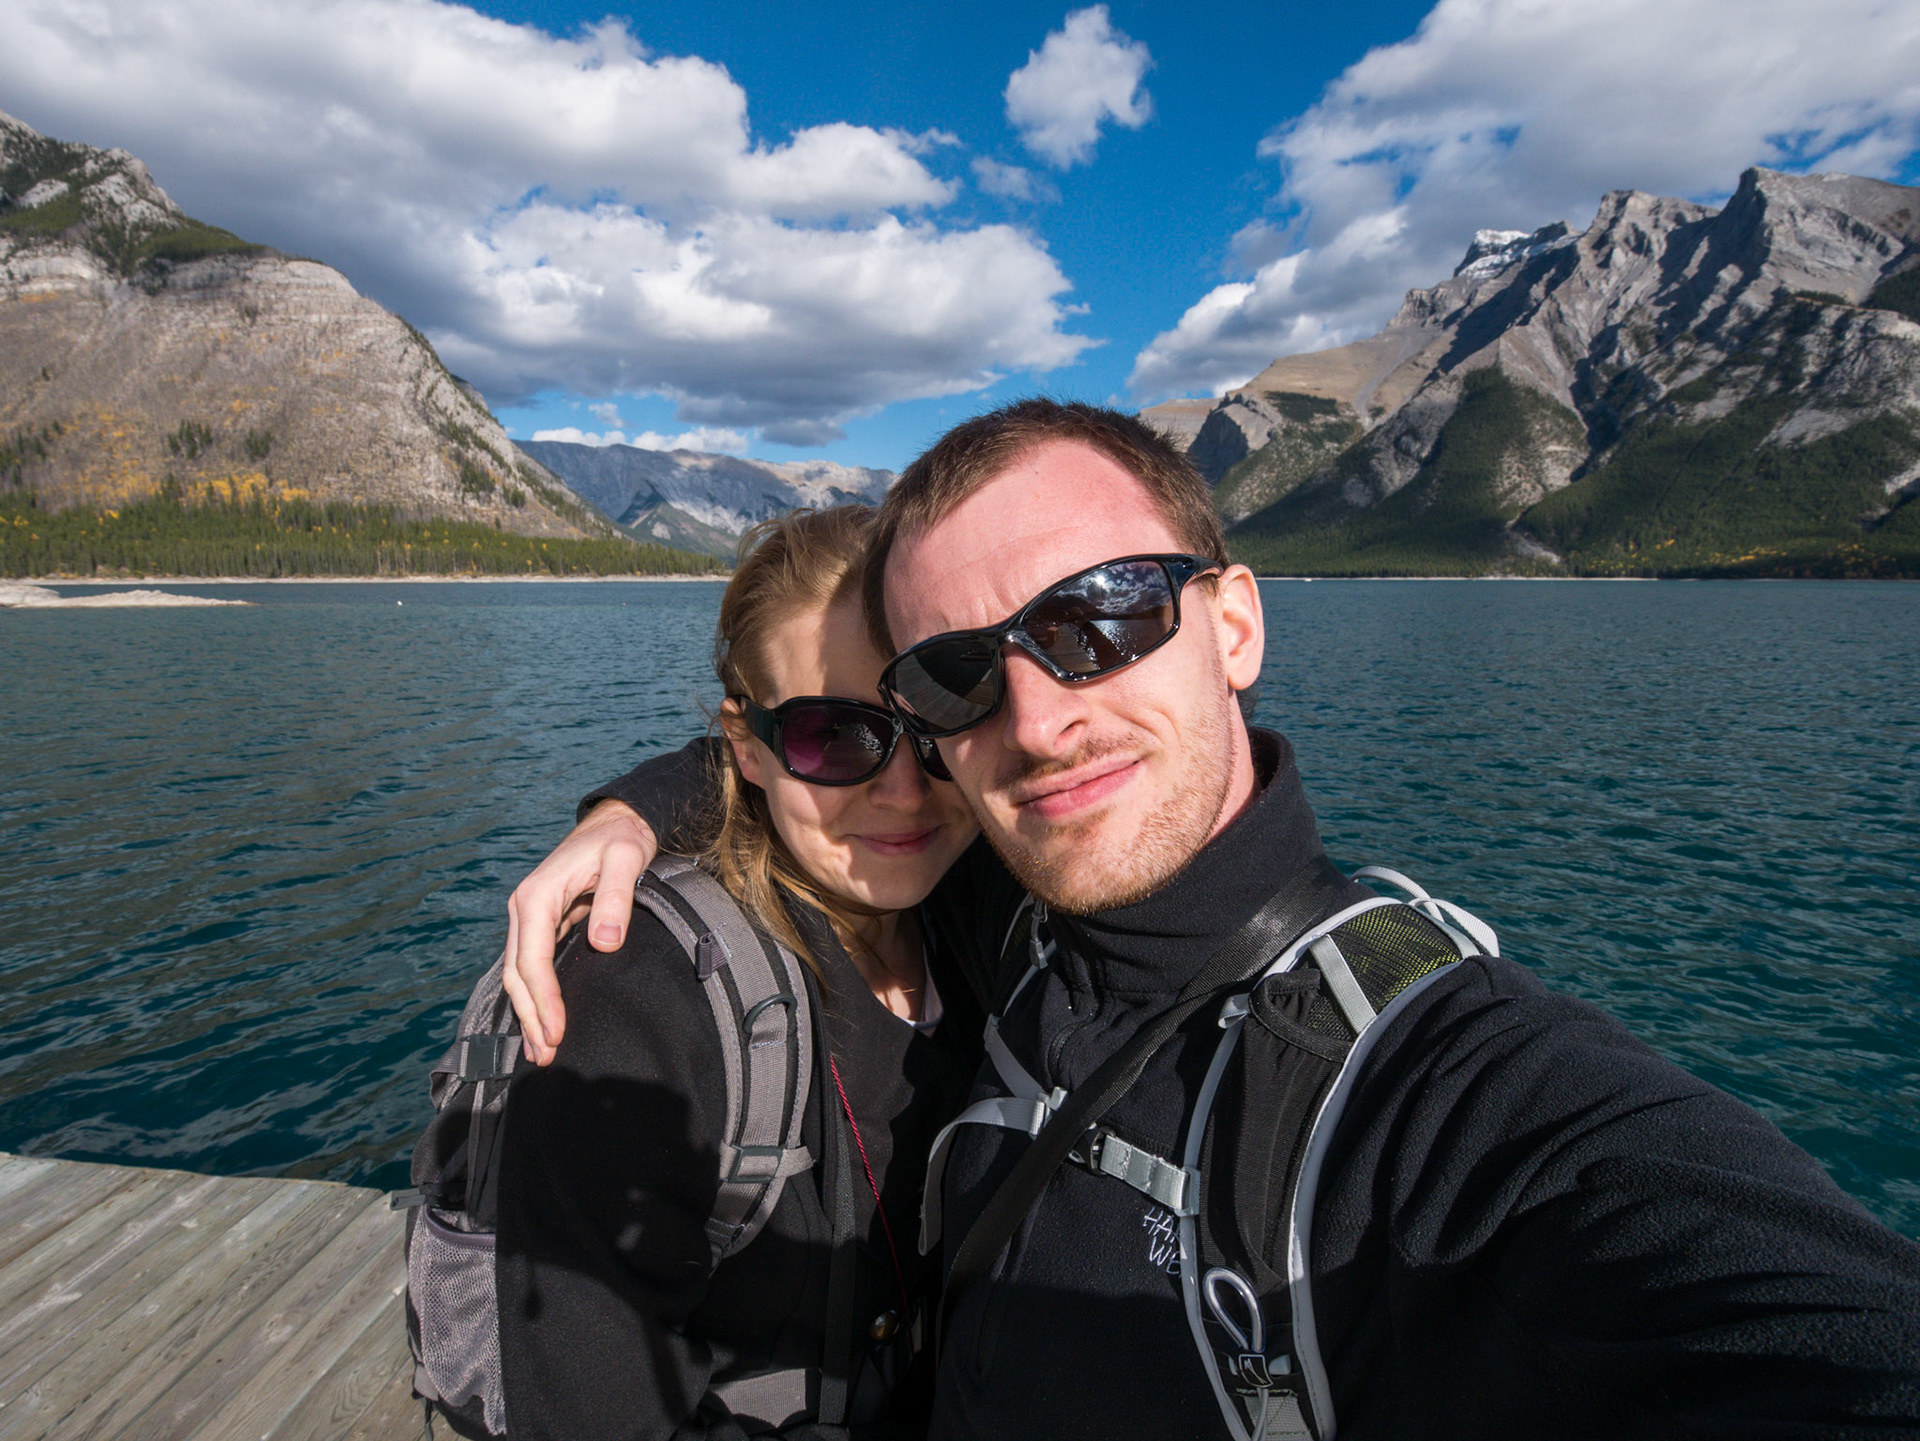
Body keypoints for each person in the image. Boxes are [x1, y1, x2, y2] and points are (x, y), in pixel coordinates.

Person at [501, 401, 1920, 1440]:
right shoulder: (1010, 909)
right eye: (957, 678)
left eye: (1101, 617)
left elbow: (1780, 1307)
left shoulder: (1428, 1082)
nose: (1040, 722)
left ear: (1234, 623)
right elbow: (812, 754)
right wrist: (634, 809)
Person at [493, 505, 1017, 1441]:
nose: (901, 789)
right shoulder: (645, 997)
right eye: (833, 736)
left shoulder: (983, 905)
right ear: (748, 743)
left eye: (932, 722)